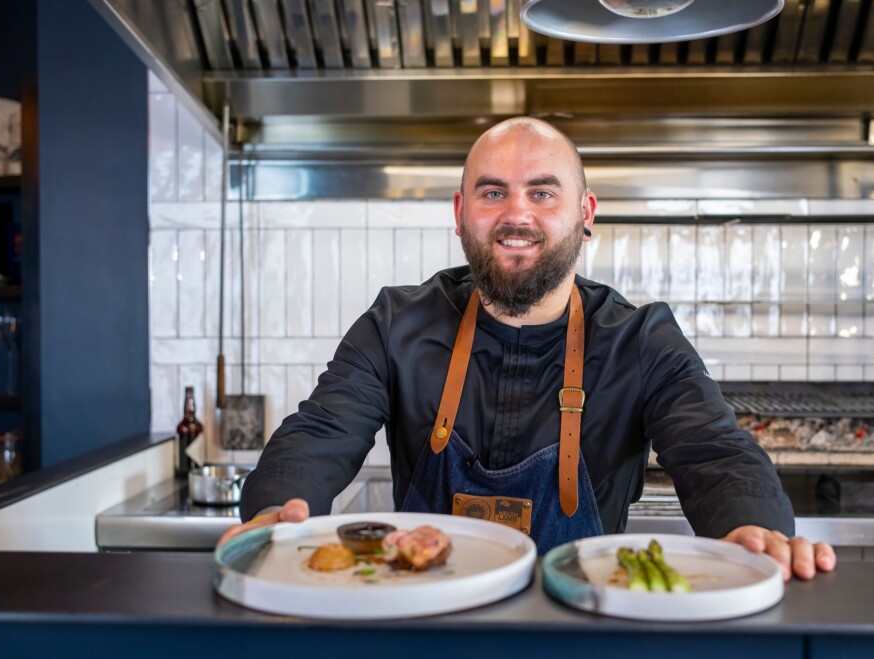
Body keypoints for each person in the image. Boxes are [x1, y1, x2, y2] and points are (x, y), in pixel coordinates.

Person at [223, 117, 836, 581]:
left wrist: (754, 529)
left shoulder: (642, 339)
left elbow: (715, 450)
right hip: (423, 624)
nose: (517, 214)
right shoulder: (396, 323)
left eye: (543, 193)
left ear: (585, 213)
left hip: (583, 633)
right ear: (461, 214)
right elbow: (322, 428)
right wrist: (278, 507)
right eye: (493, 194)